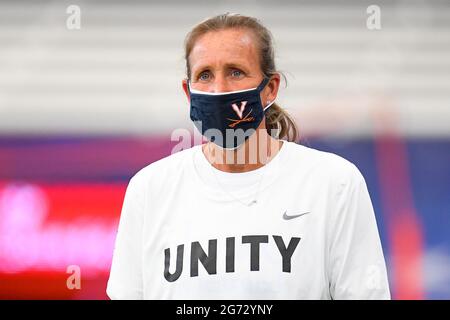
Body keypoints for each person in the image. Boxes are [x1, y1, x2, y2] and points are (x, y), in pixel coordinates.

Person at [107, 13, 390, 300]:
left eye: (235, 72)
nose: (219, 90)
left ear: (270, 89)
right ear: (188, 92)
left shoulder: (333, 183)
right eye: (205, 75)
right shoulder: (150, 189)